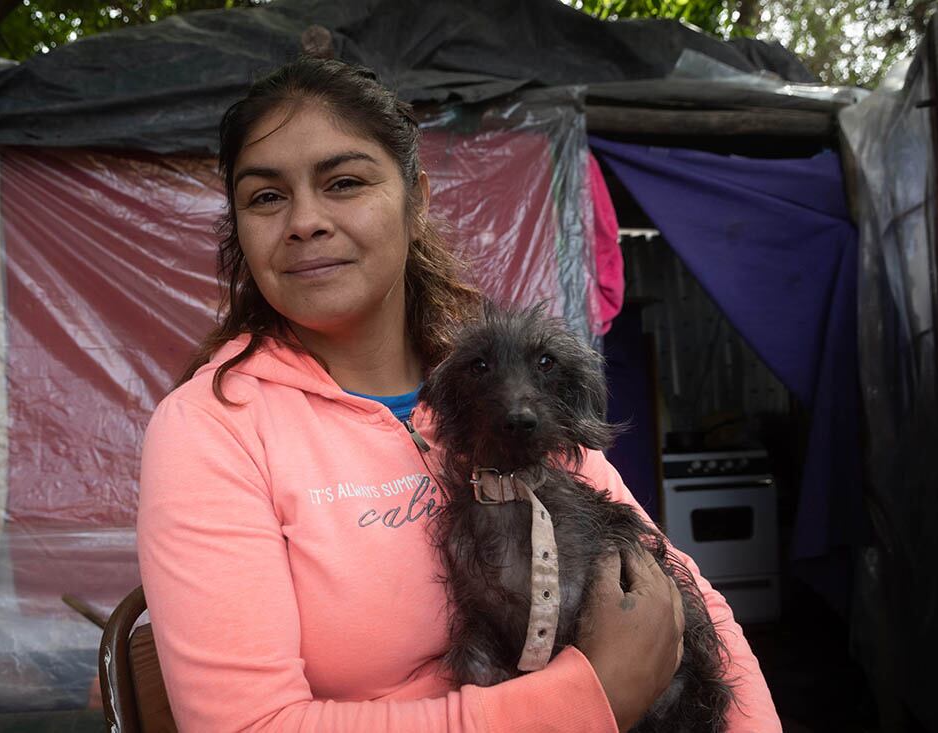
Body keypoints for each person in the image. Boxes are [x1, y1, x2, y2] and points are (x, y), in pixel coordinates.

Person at [137, 56, 780, 732]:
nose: (304, 221)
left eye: (345, 181)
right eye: (266, 196)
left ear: (416, 202)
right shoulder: (212, 431)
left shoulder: (498, 394)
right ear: (238, 224)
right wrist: (589, 697)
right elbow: (249, 725)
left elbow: (696, 603)